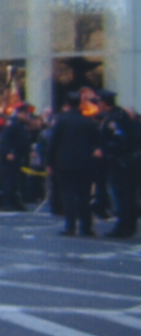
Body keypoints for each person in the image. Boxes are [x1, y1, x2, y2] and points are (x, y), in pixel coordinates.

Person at [50, 92, 103, 236]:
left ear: (67, 104)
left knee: (68, 195)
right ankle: (86, 226)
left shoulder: (61, 120)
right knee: (85, 195)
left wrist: (50, 162)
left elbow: (53, 142)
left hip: (65, 162)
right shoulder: (89, 121)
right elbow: (97, 142)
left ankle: (70, 226)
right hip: (85, 163)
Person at [97, 90, 138, 238]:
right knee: (126, 195)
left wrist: (105, 149)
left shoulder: (115, 118)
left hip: (120, 162)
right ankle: (128, 225)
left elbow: (120, 139)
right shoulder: (120, 114)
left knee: (122, 195)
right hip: (125, 161)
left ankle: (124, 227)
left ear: (104, 102)